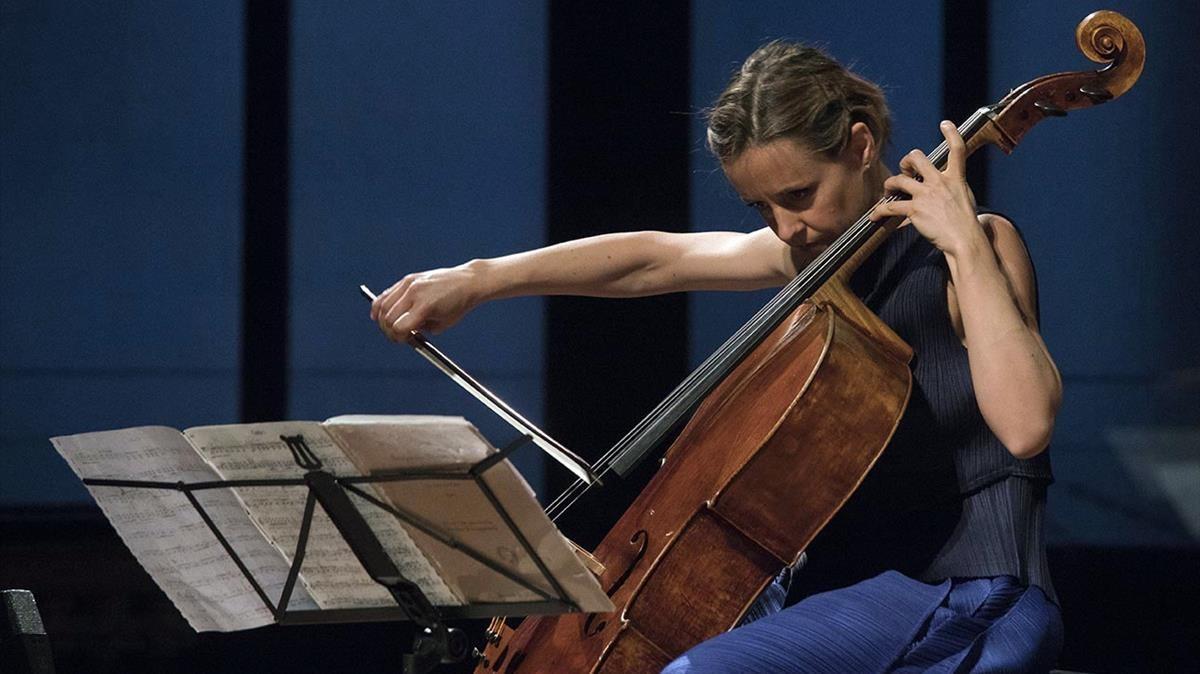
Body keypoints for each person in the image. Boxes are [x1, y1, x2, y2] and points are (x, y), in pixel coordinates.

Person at [370, 41, 1063, 673]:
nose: (787, 227)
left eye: (799, 196)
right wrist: (478, 278)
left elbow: (1027, 424)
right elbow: (656, 259)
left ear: (860, 144)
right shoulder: (819, 256)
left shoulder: (976, 247)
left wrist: (963, 245)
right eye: (762, 209)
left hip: (968, 594)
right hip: (848, 597)